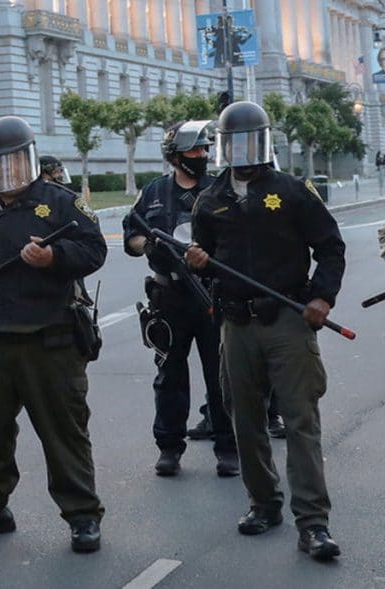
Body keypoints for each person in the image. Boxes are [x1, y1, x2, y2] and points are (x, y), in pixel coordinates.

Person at [0, 116, 107, 552]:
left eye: (14, 163)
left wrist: (53, 257)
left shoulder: (59, 203)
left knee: (63, 434)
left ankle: (82, 514)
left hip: (47, 340)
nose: (6, 173)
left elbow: (93, 249)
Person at [187, 101, 345, 561]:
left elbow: (330, 248)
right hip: (236, 324)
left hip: (287, 321)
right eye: (232, 143)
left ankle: (313, 523)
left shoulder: (293, 192)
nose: (241, 152)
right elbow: (203, 255)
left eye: (250, 142)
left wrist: (321, 297)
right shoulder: (211, 199)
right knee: (245, 420)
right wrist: (193, 260)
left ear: (265, 142)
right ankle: (263, 503)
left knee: (300, 421)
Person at [122, 120, 238, 478]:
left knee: (220, 374)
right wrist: (150, 244)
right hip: (169, 296)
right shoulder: (155, 192)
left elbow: (237, 237)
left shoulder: (220, 190)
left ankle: (227, 446)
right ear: (175, 156)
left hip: (210, 293)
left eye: (205, 149)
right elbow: (132, 235)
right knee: (169, 375)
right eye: (194, 150)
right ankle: (169, 447)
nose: (202, 155)